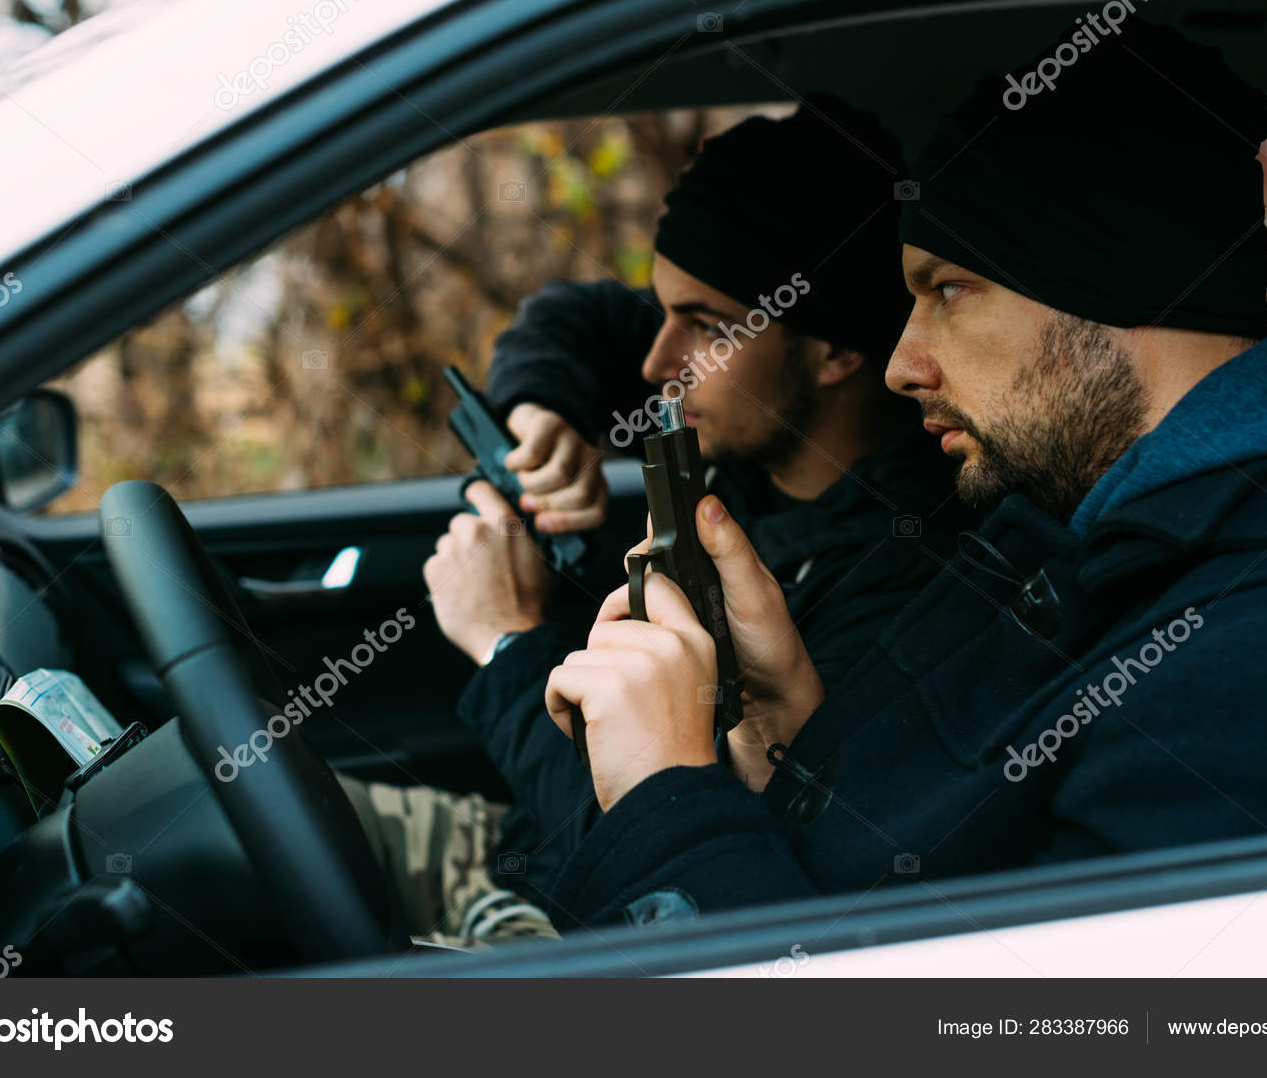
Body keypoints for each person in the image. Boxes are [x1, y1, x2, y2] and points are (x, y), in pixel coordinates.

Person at [540, 20, 1267, 932]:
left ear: (1112, 288)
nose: (901, 364)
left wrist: (667, 804)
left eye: (948, 290)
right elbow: (936, 904)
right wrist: (786, 731)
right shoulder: (1092, 529)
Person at [341, 96, 972, 945]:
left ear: (837, 351)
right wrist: (543, 414)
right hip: (515, 845)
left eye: (703, 324)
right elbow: (578, 319)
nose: (654, 362)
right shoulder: (746, 406)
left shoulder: (902, 584)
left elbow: (648, 840)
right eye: (662, 307)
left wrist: (503, 642)